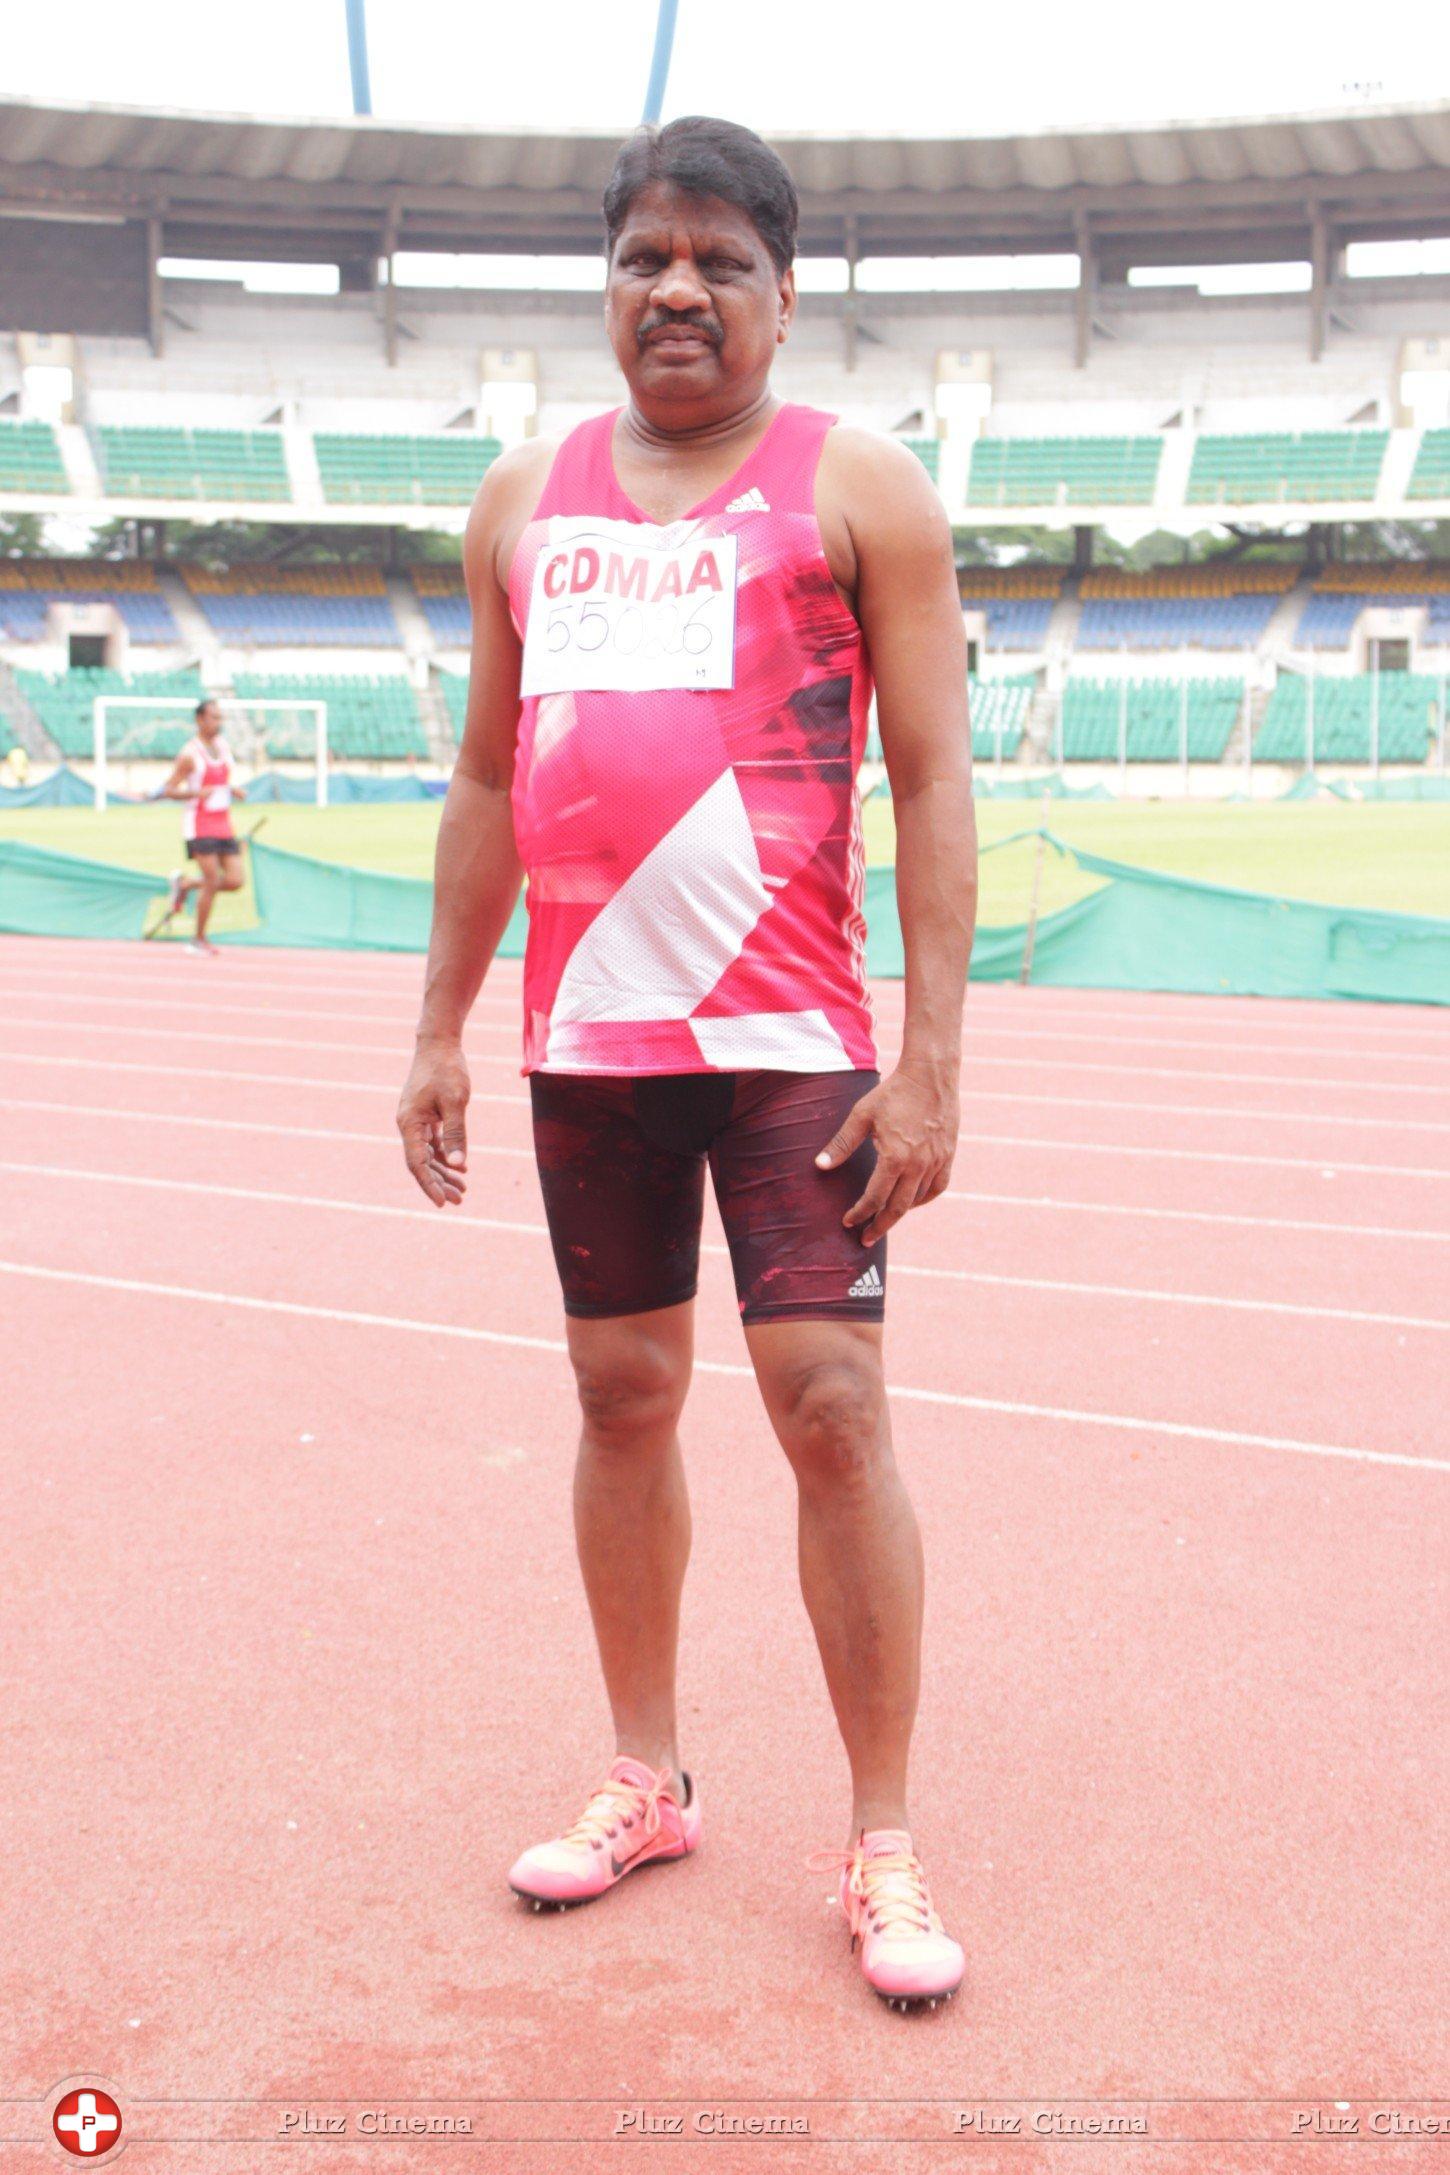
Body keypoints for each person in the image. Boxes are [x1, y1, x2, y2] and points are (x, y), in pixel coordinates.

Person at [395, 116, 977, 2011]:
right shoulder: (523, 497)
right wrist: (439, 1030)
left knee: (829, 1407)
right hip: (593, 1045)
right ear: (610, 280)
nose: (677, 288)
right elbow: (485, 778)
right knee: (623, 1395)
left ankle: (883, 1840)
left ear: (785, 299)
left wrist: (938, 1055)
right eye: (648, 254)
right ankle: (648, 1778)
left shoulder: (858, 486)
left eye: (722, 261)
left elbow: (933, 776)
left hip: (795, 1037)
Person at [159, 698, 247, 953]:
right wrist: (196, 793)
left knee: (234, 880)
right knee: (211, 880)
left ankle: (185, 884)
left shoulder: (222, 746)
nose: (218, 723)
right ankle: (198, 939)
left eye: (220, 718)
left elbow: (221, 780)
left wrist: (232, 789)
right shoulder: (189, 754)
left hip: (223, 822)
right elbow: (169, 790)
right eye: (214, 717)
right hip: (199, 824)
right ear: (200, 719)